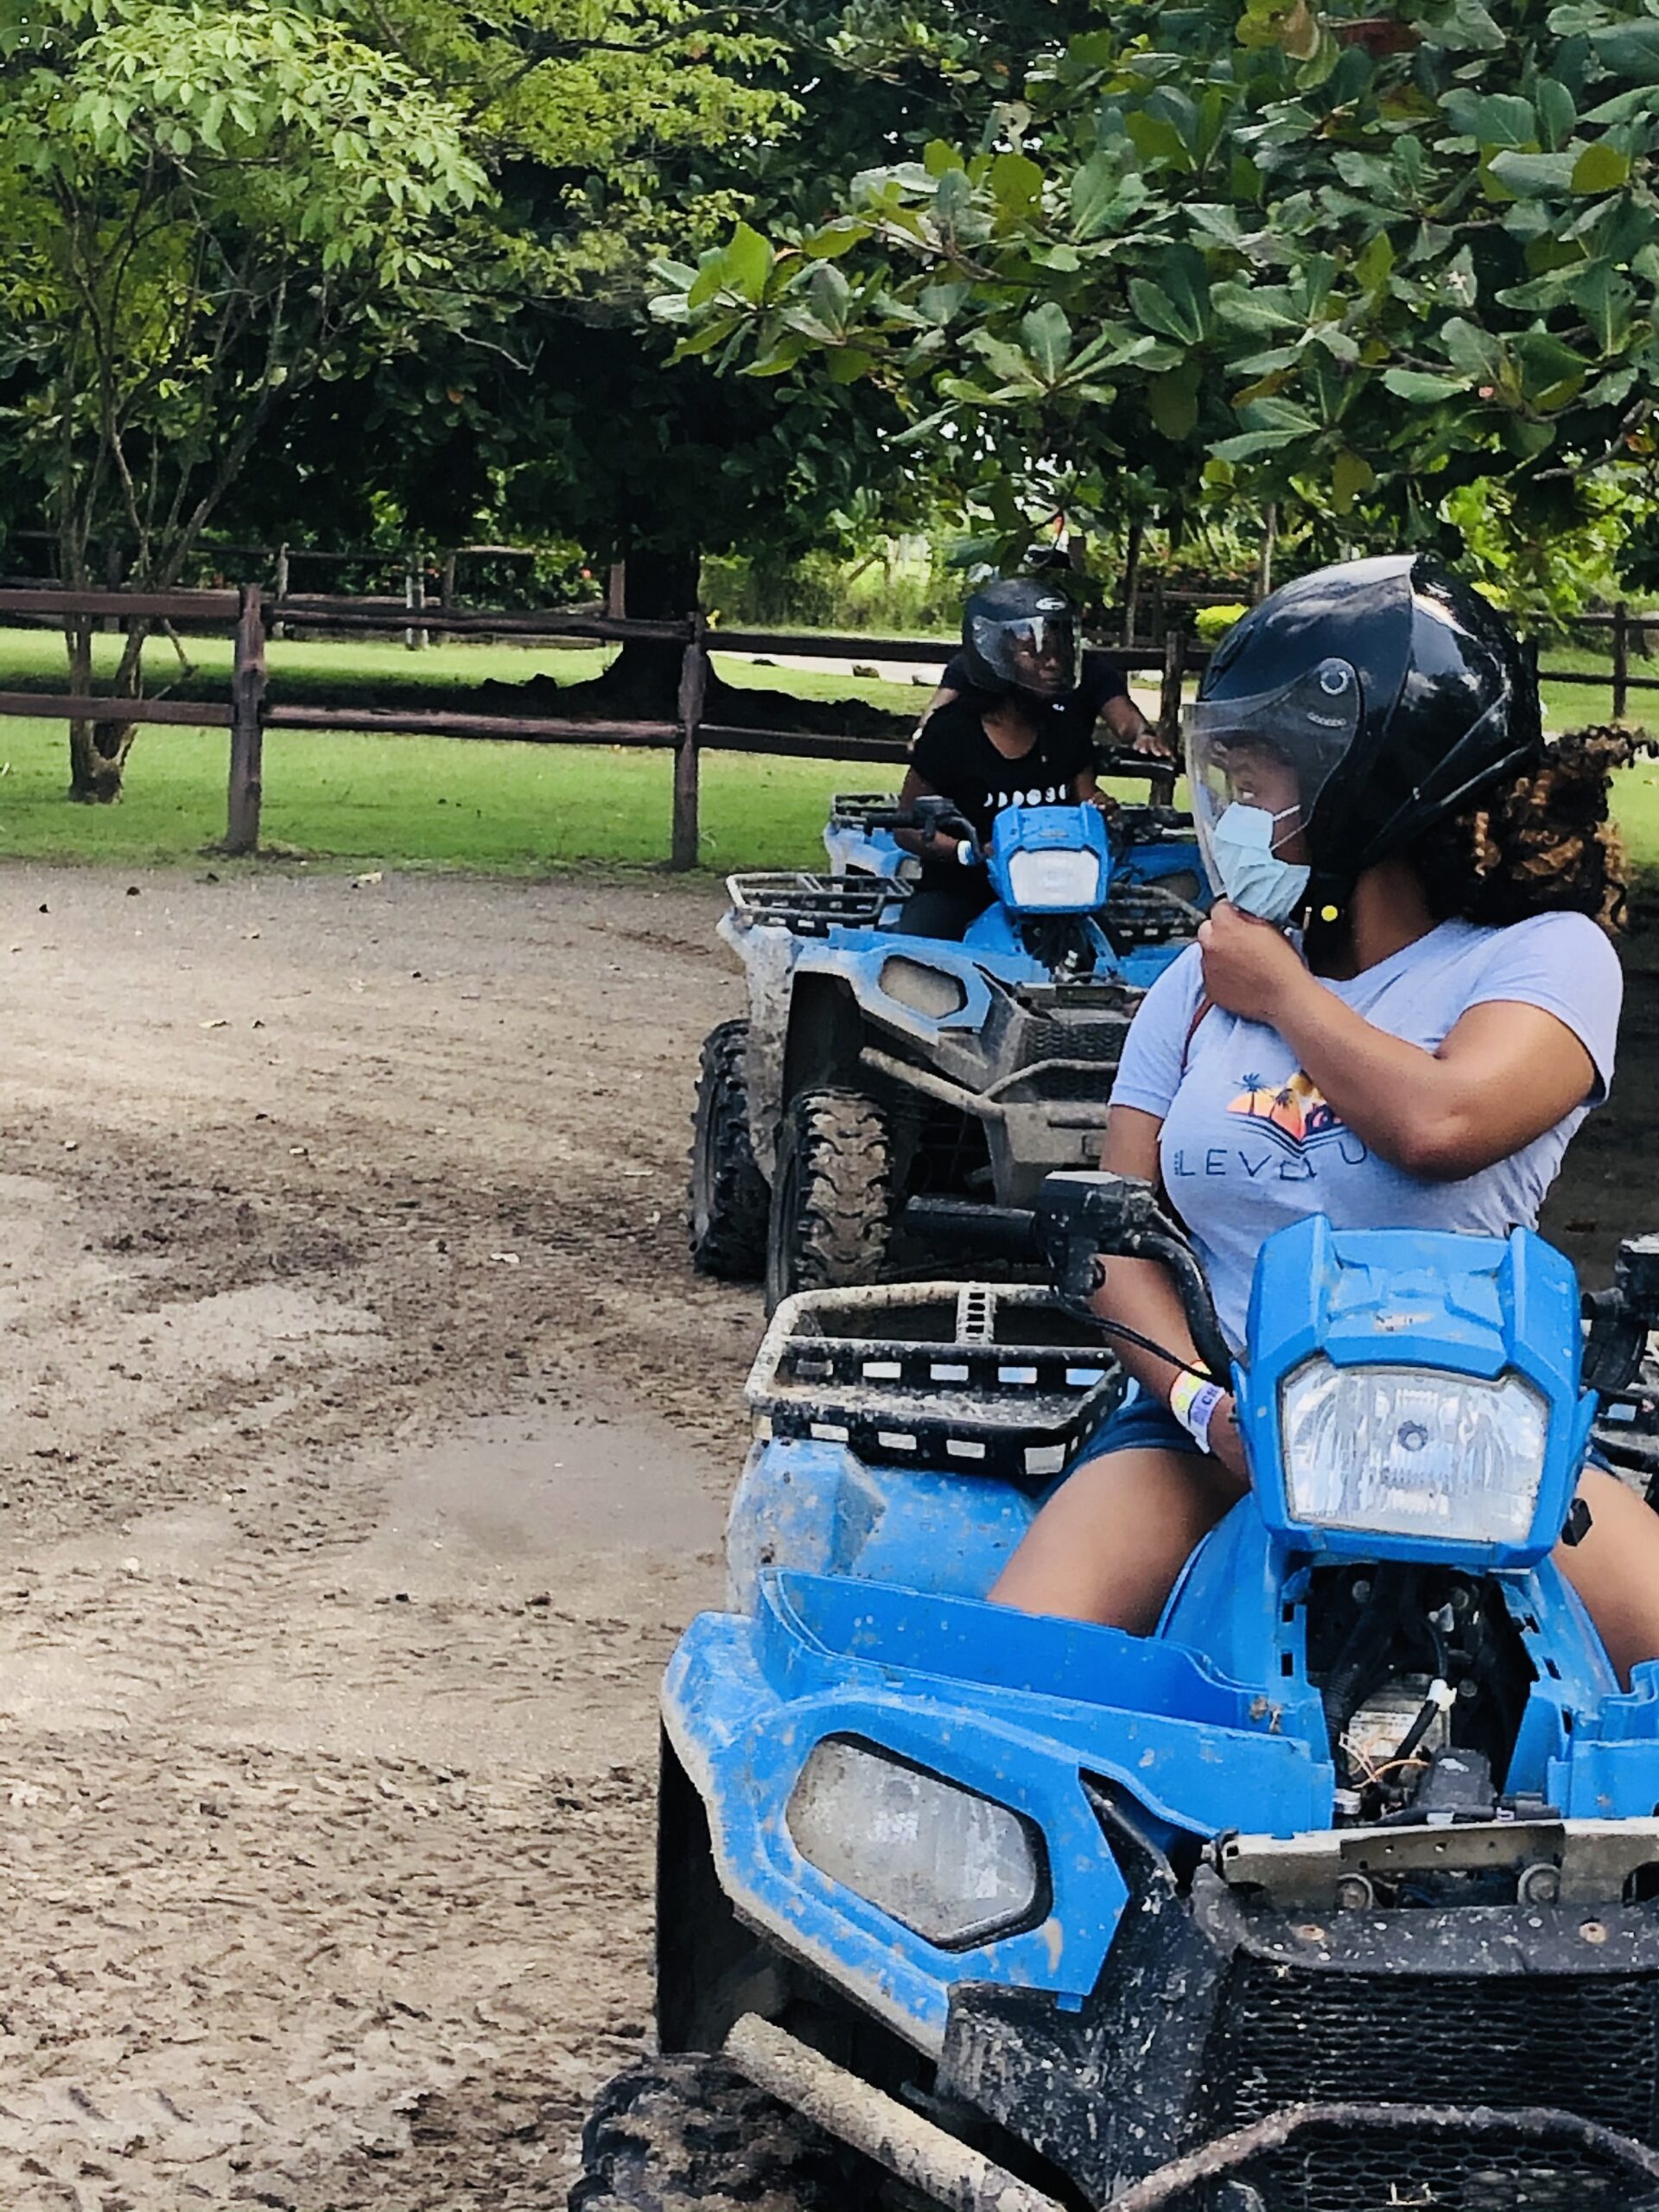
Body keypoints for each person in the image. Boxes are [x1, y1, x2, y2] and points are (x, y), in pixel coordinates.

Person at [988, 552, 1659, 1686]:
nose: (1242, 796)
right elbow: (1115, 1229)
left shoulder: (1545, 959)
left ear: (1371, 773)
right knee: (1009, 1681)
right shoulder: (1195, 987)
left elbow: (1441, 1124)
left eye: (1265, 767)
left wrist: (1287, 996)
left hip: (1478, 1433)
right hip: (1223, 1428)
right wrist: (1207, 1409)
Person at [896, 577, 1131, 938]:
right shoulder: (951, 734)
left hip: (1060, 895)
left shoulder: (1067, 730)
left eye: (1059, 652)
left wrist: (1101, 812)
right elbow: (907, 827)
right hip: (963, 890)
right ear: (996, 657)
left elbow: (1085, 799)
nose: (1053, 664)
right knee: (914, 954)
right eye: (1035, 653)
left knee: (1113, 957)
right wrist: (971, 852)